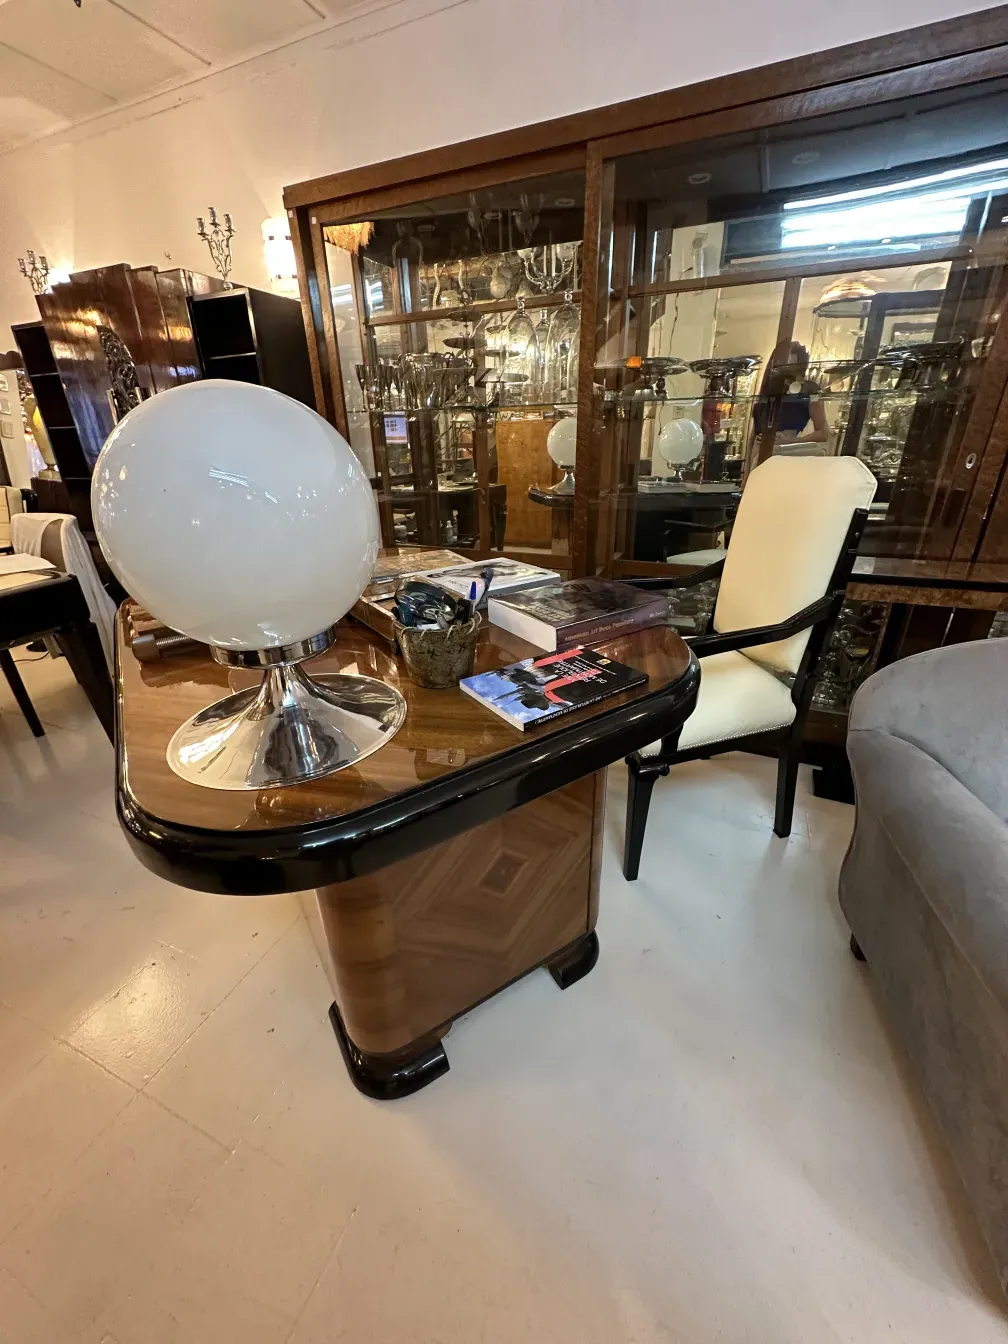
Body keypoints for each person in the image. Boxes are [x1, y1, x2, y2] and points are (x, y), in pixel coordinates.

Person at [749, 340, 828, 454]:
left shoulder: (809, 389)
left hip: (785, 451)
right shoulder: (769, 388)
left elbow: (823, 433)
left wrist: (790, 442)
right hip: (759, 449)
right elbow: (754, 433)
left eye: (791, 365)